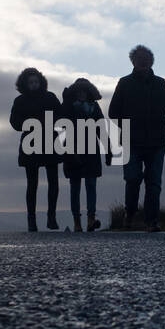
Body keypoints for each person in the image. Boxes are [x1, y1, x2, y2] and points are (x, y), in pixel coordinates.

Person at [108, 45, 165, 232]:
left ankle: (152, 220)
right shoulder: (124, 83)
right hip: (131, 141)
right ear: (133, 61)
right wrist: (127, 128)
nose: (143, 61)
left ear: (152, 61)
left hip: (157, 143)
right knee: (132, 179)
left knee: (154, 183)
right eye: (139, 58)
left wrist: (162, 127)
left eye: (146, 58)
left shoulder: (161, 84)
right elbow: (113, 112)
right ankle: (129, 215)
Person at [9, 68, 61, 231]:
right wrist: (28, 123)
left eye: (36, 82)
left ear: (41, 82)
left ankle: (51, 218)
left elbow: (61, 117)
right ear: (25, 84)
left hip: (50, 142)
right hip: (30, 144)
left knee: (53, 181)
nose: (34, 85)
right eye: (31, 82)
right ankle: (32, 220)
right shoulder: (20, 101)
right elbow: (14, 121)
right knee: (32, 184)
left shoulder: (50, 97)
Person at [57, 78, 111, 232]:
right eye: (79, 91)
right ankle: (77, 222)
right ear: (75, 93)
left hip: (91, 149)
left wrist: (107, 149)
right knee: (75, 186)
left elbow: (101, 127)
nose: (82, 94)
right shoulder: (67, 106)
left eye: (85, 91)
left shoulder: (94, 107)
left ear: (89, 93)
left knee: (91, 184)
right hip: (72, 149)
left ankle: (91, 219)